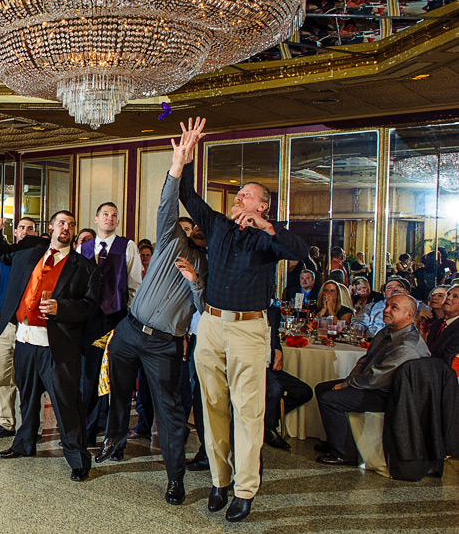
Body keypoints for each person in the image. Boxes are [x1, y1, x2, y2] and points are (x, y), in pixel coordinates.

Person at [179, 117, 309, 522]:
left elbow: (300, 250)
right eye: (237, 195)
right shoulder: (217, 225)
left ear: (262, 204)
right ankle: (220, 481)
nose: (238, 199)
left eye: (246, 196)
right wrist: (185, 153)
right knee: (212, 404)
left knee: (248, 409)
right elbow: (186, 193)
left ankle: (245, 489)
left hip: (250, 329)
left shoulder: (270, 237)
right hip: (212, 325)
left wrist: (268, 227)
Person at [95, 124, 206, 507]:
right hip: (128, 330)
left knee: (169, 412)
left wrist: (194, 281)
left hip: (164, 345)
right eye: (188, 224)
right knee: (116, 390)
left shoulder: (210, 267)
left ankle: (175, 479)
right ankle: (114, 441)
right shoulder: (171, 239)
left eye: (197, 226)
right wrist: (177, 165)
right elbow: (166, 204)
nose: (190, 228)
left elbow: (205, 307)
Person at [0, 211, 99, 482]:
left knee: (65, 404)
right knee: (28, 396)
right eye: (61, 223)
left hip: (56, 345)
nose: (67, 228)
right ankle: (24, 444)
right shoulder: (30, 251)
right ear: (50, 228)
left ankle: (78, 459)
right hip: (24, 339)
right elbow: (0, 253)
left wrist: (63, 308)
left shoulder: (84, 267)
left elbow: (91, 305)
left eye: (71, 224)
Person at [314, 294, 430, 465]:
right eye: (387, 305)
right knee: (322, 388)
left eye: (394, 307)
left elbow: (377, 379)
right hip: (374, 384)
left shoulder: (407, 346)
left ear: (409, 315)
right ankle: (336, 440)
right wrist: (350, 379)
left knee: (329, 399)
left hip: (390, 395)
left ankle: (345, 453)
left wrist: (347, 385)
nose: (387, 310)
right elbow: (366, 360)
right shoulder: (386, 332)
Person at [79, 201, 142, 446]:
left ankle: (116, 437)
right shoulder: (83, 248)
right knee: (90, 376)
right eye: (105, 214)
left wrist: (131, 319)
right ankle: (87, 431)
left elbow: (135, 284)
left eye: (114, 215)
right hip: (90, 320)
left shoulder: (127, 246)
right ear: (96, 219)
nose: (110, 218)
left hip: (118, 318)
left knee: (118, 378)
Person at [0, 217, 37, 439]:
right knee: (2, 377)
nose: (25, 231)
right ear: (15, 232)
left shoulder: (40, 257)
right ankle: (5, 422)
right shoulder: (5, 258)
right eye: (22, 228)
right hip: (4, 325)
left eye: (30, 228)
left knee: (29, 378)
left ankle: (30, 425)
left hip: (30, 326)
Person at [263, 304, 313, 450]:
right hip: (254, 365)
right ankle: (270, 429)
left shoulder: (273, 310)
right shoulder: (246, 309)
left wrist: (277, 349)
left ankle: (265, 422)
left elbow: (274, 336)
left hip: (270, 365)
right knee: (274, 390)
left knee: (304, 392)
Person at [352, 276, 426, 337]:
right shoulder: (371, 306)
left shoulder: (417, 305)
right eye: (390, 287)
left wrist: (406, 298)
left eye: (398, 287)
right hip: (373, 340)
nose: (395, 289)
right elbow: (357, 323)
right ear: (384, 294)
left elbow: (426, 310)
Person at [425, 286, 459, 372]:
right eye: (448, 294)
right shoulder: (437, 324)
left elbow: (448, 359)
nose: (448, 298)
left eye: (455, 296)